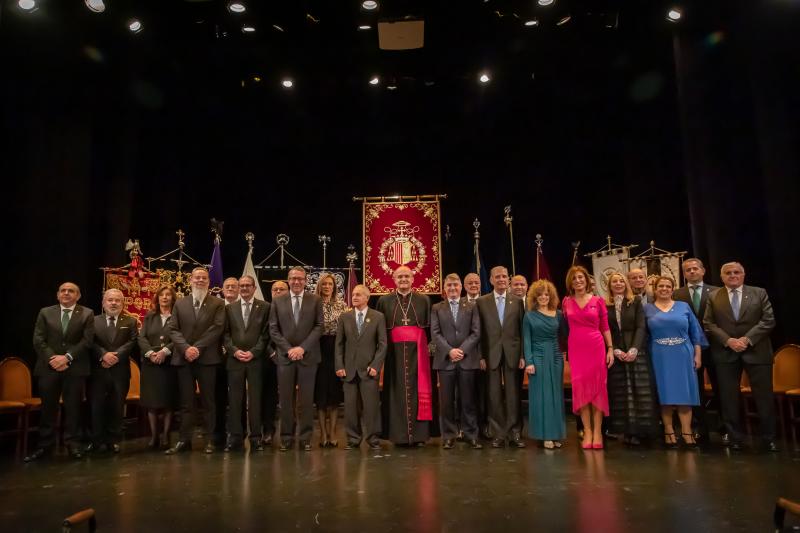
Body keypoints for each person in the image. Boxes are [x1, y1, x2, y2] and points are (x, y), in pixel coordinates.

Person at [704, 262, 777, 452]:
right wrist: (728, 341)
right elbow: (708, 323)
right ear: (721, 277)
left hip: (757, 352)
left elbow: (768, 320)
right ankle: (735, 438)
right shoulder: (713, 296)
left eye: (737, 272)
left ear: (743, 275)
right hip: (726, 353)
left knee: (764, 398)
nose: (733, 275)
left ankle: (769, 438)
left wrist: (746, 339)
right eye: (728, 273)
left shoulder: (759, 293)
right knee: (728, 399)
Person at [26, 282, 94, 461]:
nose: (66, 293)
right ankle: (44, 446)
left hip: (75, 368)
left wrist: (67, 358)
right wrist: (53, 358)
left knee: (73, 409)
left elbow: (87, 341)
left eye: (71, 291)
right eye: (63, 291)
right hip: (49, 368)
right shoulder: (45, 312)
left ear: (78, 296)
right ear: (57, 295)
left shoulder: (87, 313)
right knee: (48, 409)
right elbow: (38, 339)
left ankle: (73, 445)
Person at [167, 267, 226, 455]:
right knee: (186, 402)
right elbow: (173, 329)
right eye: (197, 277)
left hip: (207, 359)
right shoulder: (180, 303)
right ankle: (184, 440)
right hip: (184, 359)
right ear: (190, 280)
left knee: (209, 402)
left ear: (209, 282)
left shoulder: (217, 303)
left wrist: (197, 348)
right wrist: (186, 348)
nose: (200, 280)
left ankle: (210, 440)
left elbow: (217, 328)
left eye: (204, 278)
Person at [645, 276, 708, 448]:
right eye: (661, 286)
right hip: (659, 356)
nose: (664, 289)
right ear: (655, 289)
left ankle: (687, 433)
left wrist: (698, 356)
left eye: (668, 286)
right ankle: (668, 431)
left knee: (684, 395)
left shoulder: (684, 306)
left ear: (672, 289)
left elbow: (696, 334)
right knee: (665, 395)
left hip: (683, 355)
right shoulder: (647, 309)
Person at [376, 266, 433, 446]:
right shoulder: (384, 301)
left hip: (419, 354)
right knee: (395, 393)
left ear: (413, 278)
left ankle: (420, 436)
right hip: (394, 354)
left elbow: (430, 330)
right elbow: (380, 331)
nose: (403, 279)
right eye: (399, 276)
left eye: (406, 276)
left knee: (418, 391)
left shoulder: (424, 300)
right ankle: (397, 435)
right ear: (393, 279)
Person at [268, 267, 324, 451]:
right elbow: (273, 329)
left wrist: (302, 348)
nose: (297, 281)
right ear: (288, 280)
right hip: (285, 358)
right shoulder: (278, 301)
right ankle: (286, 437)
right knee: (285, 400)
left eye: (300, 278)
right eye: (293, 278)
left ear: (306, 281)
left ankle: (306, 438)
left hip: (309, 356)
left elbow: (319, 326)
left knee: (306, 401)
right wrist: (289, 349)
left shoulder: (315, 300)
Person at [562, 266, 614, 450]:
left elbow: (605, 327)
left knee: (598, 389)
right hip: (576, 349)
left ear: (587, 280)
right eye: (574, 278)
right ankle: (588, 431)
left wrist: (610, 349)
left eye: (581, 277)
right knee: (581, 390)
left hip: (596, 347)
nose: (578, 281)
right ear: (571, 282)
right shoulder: (566, 302)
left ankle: (598, 432)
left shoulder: (598, 301)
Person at [604, 272, 659, 445]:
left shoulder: (635, 301)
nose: (619, 284)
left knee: (640, 391)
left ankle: (642, 431)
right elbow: (605, 329)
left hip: (637, 350)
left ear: (626, 283)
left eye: (621, 281)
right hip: (617, 351)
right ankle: (626, 431)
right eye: (615, 281)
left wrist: (635, 348)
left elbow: (641, 326)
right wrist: (615, 349)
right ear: (609, 285)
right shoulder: (605, 304)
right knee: (620, 393)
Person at [673, 257, 722, 443]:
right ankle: (702, 429)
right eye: (688, 270)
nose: (692, 272)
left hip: (716, 348)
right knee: (696, 391)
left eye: (695, 268)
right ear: (684, 274)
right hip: (690, 351)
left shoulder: (718, 292)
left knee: (721, 390)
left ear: (703, 271)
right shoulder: (677, 294)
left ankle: (724, 427)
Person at [476, 266, 526, 448]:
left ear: (508, 279)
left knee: (513, 395)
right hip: (491, 354)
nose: (502, 279)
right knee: (493, 395)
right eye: (497, 277)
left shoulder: (517, 301)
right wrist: (481, 356)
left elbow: (522, 331)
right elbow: (479, 332)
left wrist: (522, 355)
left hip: (513, 354)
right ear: (491, 280)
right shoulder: (482, 302)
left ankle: (515, 433)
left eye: (504, 276)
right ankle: (498, 433)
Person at [431, 274, 482, 450]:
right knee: (446, 401)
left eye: (456, 285)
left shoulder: (472, 306)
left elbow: (476, 332)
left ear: (461, 287)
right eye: (449, 286)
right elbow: (435, 333)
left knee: (468, 400)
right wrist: (450, 351)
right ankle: (449, 435)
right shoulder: (437, 308)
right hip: (445, 361)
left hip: (467, 359)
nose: (453, 288)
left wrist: (462, 350)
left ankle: (470, 434)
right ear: (444, 288)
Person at [335, 285, 387, 450]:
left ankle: (373, 439)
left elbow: (383, 344)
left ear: (367, 297)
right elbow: (339, 345)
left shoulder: (378, 317)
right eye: (353, 294)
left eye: (358, 295)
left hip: (369, 370)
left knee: (371, 407)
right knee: (350, 408)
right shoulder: (345, 317)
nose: (354, 297)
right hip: (348, 370)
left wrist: (375, 365)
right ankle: (353, 439)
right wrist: (339, 365)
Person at [86, 289, 138, 454]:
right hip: (98, 371)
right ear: (103, 303)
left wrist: (116, 356)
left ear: (123, 304)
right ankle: (95, 440)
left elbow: (132, 341)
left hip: (120, 371)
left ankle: (112, 441)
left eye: (117, 300)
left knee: (116, 407)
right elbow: (90, 342)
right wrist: (103, 355)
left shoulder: (130, 321)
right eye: (110, 300)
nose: (114, 303)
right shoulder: (93, 321)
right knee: (96, 406)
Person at [223, 275, 270, 452]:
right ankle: (235, 437)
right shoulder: (229, 308)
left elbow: (266, 334)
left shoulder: (265, 307)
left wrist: (253, 352)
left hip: (256, 360)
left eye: (247, 286)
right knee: (235, 401)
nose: (243, 289)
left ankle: (256, 437)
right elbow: (225, 334)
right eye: (241, 286)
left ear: (254, 287)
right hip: (234, 360)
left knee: (256, 400)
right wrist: (234, 351)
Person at [523, 280, 568, 449]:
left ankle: (556, 434)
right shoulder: (529, 315)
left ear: (551, 296)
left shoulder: (558, 314)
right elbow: (527, 340)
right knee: (542, 396)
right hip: (538, 356)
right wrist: (529, 362)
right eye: (540, 294)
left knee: (556, 395)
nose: (543, 297)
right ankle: (545, 435)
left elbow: (565, 336)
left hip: (556, 356)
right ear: (535, 297)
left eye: (547, 294)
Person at [138, 284, 178, 450]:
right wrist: (150, 353)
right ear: (157, 298)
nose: (165, 297)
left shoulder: (177, 316)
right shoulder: (150, 316)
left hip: (169, 364)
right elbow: (142, 338)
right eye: (162, 295)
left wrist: (165, 352)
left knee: (168, 401)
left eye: (168, 295)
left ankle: (166, 437)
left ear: (172, 298)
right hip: (151, 364)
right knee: (152, 402)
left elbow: (179, 337)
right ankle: (154, 436)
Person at [315, 273, 347, 447]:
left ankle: (333, 432)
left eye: (330, 284)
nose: (327, 287)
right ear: (319, 286)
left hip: (335, 350)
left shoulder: (342, 305)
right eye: (324, 284)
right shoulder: (312, 304)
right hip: (317, 351)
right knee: (320, 397)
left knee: (334, 396)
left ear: (335, 286)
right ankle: (322, 434)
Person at [261, 280, 289, 444]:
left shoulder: (292, 309)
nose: (278, 292)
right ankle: (268, 430)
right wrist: (272, 353)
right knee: (267, 397)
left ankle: (289, 431)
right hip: (268, 359)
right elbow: (260, 334)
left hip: (289, 357)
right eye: (275, 289)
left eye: (282, 289)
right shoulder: (265, 309)